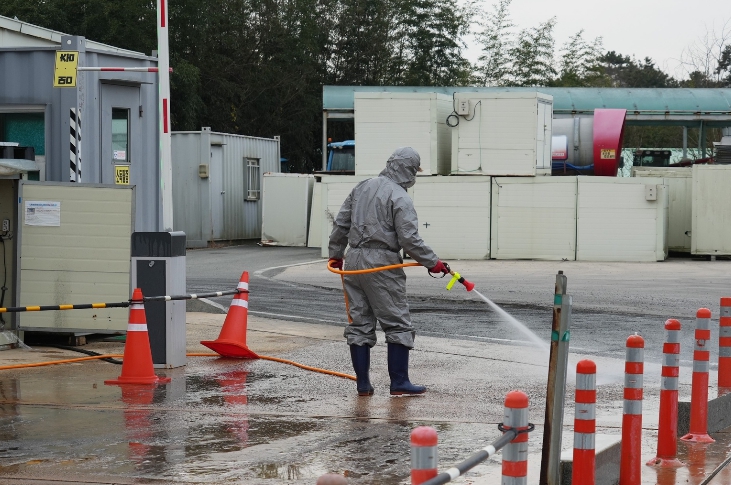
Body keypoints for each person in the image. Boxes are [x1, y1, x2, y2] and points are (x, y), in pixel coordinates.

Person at [328, 147, 449, 396]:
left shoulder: (362, 187)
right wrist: (433, 262)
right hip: (382, 263)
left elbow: (341, 223)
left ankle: (363, 384)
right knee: (397, 322)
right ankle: (399, 382)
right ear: (409, 170)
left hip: (353, 260)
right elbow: (409, 239)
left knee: (360, 322)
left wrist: (336, 254)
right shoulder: (400, 197)